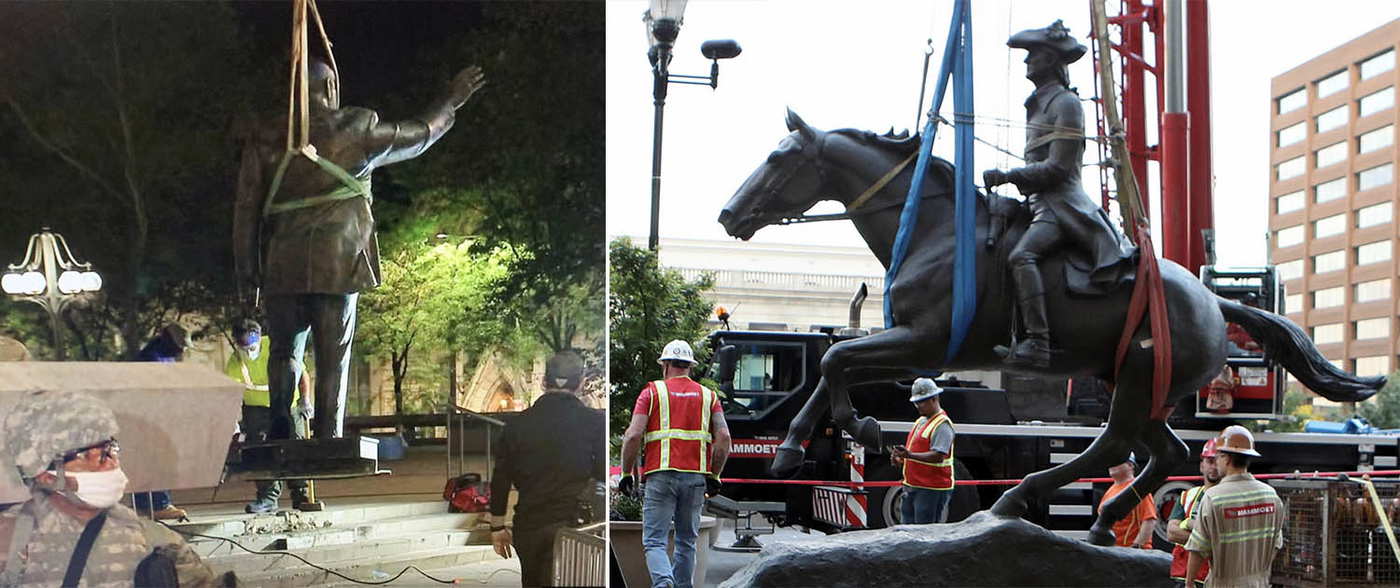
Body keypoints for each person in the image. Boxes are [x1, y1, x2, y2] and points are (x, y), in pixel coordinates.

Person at [233, 59, 486, 442]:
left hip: (282, 262)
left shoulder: (265, 138)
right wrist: (451, 100)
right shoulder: (355, 128)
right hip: (338, 261)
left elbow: (245, 209)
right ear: (331, 87)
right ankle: (328, 434)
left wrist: (247, 270)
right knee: (333, 354)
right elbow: (418, 134)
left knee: (284, 351)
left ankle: (281, 424)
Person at [982, 20, 1129, 368]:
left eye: (1034, 56)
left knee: (1021, 256)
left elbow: (1058, 169)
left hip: (1060, 205)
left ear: (1051, 60)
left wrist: (1008, 175)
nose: (1026, 63)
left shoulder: (1066, 103)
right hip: (1037, 202)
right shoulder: (1038, 104)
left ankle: (1039, 342)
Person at [0, 390, 230, 586]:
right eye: (91, 454)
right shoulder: (9, 542)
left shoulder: (151, 540)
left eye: (111, 449)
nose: (111, 462)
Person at [483, 350, 605, 587]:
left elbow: (501, 478)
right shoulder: (595, 422)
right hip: (576, 526)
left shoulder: (516, 425)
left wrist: (497, 526)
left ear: (542, 382)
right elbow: (601, 474)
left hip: (530, 525)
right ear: (580, 383)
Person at [619, 340, 732, 588]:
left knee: (655, 541)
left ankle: (663, 582)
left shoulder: (651, 392)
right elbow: (724, 438)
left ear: (666, 365)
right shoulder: (708, 396)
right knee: (686, 542)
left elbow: (633, 435)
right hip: (695, 479)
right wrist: (715, 475)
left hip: (660, 476)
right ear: (690, 367)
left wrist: (626, 472)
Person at [224, 319, 319, 514]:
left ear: (258, 339)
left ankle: (301, 495)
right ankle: (267, 498)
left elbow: (301, 374)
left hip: (288, 405)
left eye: (251, 346)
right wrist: (232, 423)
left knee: (296, 447)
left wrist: (305, 400)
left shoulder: (276, 347)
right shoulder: (235, 361)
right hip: (256, 409)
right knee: (261, 450)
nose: (248, 351)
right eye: (243, 347)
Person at [1186, 426, 1284, 588]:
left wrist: (1189, 584)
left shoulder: (1213, 498)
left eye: (1218, 456)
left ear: (1227, 459)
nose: (1216, 461)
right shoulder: (1270, 495)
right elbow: (1276, 544)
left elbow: (1198, 549)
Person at [133, 323, 194, 521]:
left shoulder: (161, 355)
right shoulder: (152, 358)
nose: (182, 350)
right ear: (168, 340)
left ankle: (147, 505)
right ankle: (158, 504)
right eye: (180, 346)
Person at [890, 378, 956, 524]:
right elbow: (915, 450)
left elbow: (938, 456)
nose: (918, 406)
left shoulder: (942, 425)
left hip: (931, 489)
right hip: (913, 486)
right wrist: (901, 458)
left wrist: (909, 455)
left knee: (925, 536)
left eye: (922, 401)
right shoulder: (921, 421)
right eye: (916, 402)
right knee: (908, 532)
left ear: (935, 399)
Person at [1168, 437, 1223, 588]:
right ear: (1201, 466)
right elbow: (1172, 533)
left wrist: (1188, 525)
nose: (1214, 467)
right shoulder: (1187, 496)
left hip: (1213, 578)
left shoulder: (1231, 498)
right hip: (1183, 576)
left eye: (1218, 462)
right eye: (1210, 461)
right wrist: (1206, 540)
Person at [1100, 454, 1157, 549]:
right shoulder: (1110, 491)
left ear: (1131, 465)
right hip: (1113, 552)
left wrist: (1136, 547)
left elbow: (1149, 520)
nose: (1112, 464)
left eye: (1118, 461)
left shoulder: (1138, 489)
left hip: (1130, 554)